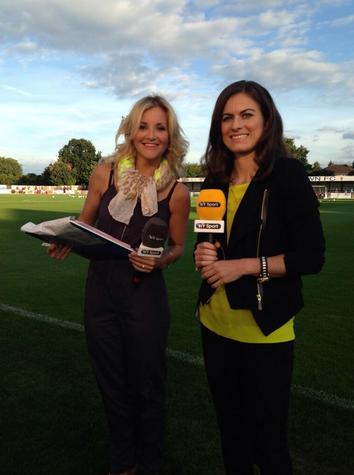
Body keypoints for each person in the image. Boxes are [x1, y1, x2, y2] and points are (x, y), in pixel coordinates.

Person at [48, 95, 190, 475]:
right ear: (130, 129)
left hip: (145, 296)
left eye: (160, 127)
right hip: (101, 293)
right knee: (111, 381)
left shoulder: (177, 191)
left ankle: (151, 460)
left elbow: (178, 246)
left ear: (170, 135)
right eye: (143, 125)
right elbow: (85, 226)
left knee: (147, 384)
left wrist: (161, 260)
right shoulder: (105, 173)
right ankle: (124, 460)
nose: (151, 135)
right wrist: (66, 239)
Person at [194, 80, 325, 475]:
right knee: (231, 436)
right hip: (214, 324)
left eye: (247, 114)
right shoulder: (213, 181)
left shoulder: (286, 175)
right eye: (227, 117)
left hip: (265, 331)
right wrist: (205, 253)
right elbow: (211, 242)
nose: (236, 124)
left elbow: (312, 256)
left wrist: (247, 266)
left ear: (267, 121)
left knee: (268, 445)